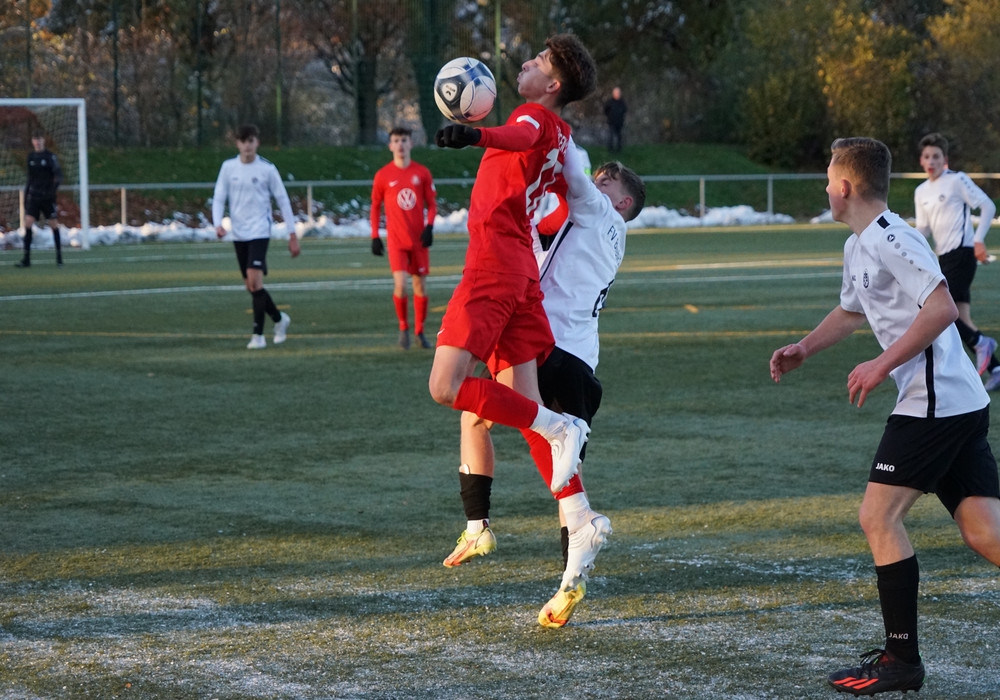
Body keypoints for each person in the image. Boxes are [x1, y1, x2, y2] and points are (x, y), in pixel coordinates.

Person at [770, 137, 1000, 696]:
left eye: (829, 179)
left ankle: (901, 660)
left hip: (933, 403)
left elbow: (941, 307)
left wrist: (880, 364)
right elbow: (852, 310)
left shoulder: (894, 237)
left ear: (846, 187)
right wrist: (805, 348)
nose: (826, 188)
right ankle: (901, 659)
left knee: (878, 517)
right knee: (985, 533)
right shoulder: (859, 245)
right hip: (955, 402)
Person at [443, 141, 646, 630]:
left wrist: (547, 134)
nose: (595, 184)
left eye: (606, 182)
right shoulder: (607, 233)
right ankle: (564, 573)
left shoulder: (598, 211)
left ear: (622, 202)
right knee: (495, 429)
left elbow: (570, 163)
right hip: (580, 357)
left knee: (519, 432)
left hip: (547, 345)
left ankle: (485, 526)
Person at [428, 34, 597, 545]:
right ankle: (579, 514)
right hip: (520, 269)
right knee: (526, 406)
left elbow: (521, 137)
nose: (526, 63)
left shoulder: (534, 118)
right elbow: (556, 177)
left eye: (540, 60)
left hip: (495, 265)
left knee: (445, 387)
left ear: (552, 85)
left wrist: (474, 136)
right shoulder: (562, 134)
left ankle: (563, 427)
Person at [914, 132, 1000, 390]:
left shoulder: (957, 180)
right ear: (921, 160)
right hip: (943, 259)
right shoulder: (921, 191)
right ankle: (996, 369)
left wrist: (979, 240)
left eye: (936, 156)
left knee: (940, 311)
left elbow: (988, 206)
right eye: (927, 156)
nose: (931, 161)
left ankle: (980, 343)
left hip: (962, 255)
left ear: (945, 159)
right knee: (960, 318)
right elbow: (923, 229)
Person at [212, 124, 300, 349]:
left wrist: (292, 234)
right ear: (237, 144)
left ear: (257, 142)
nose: (247, 146)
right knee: (251, 287)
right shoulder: (228, 168)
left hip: (260, 230)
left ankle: (258, 336)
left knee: (255, 280)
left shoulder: (267, 169)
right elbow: (219, 197)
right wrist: (218, 223)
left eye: (251, 141)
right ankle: (279, 319)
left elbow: (282, 200)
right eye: (243, 141)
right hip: (239, 233)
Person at [370, 126, 438, 350]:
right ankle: (403, 329)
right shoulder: (383, 175)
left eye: (404, 140)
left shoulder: (422, 173)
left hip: (418, 240)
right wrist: (375, 235)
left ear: (411, 143)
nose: (400, 144)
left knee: (420, 287)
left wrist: (430, 226)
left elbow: (432, 204)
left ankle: (420, 332)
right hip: (397, 241)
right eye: (396, 141)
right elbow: (375, 206)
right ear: (390, 146)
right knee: (400, 286)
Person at [16, 132, 63, 268]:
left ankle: (59, 257)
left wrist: (52, 191)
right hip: (34, 197)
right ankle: (26, 259)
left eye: (40, 139)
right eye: (35, 139)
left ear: (43, 140)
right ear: (32, 141)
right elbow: (30, 178)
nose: (37, 142)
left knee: (53, 225)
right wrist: (26, 196)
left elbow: (58, 175)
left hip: (47, 198)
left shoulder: (50, 156)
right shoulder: (31, 157)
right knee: (28, 223)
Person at [603, 86, 626, 154]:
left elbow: (624, 110)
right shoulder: (610, 102)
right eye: (616, 93)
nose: (617, 94)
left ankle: (619, 149)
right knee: (611, 136)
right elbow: (605, 110)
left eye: (618, 93)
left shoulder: (622, 102)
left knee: (619, 136)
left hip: (619, 122)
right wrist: (610, 116)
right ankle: (610, 150)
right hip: (611, 122)